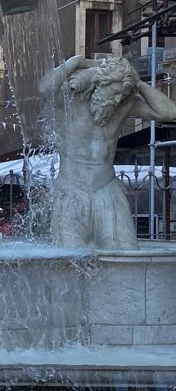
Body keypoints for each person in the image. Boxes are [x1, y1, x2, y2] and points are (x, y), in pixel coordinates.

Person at [39, 54, 176, 248]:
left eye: (121, 94)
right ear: (100, 83)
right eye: (114, 92)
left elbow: (169, 112)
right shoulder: (70, 101)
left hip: (107, 188)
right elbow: (44, 89)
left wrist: (138, 83)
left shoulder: (123, 103)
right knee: (70, 257)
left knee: (125, 251)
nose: (117, 99)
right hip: (72, 189)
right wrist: (76, 62)